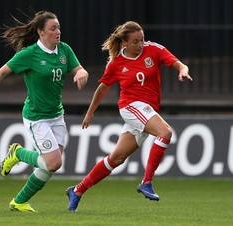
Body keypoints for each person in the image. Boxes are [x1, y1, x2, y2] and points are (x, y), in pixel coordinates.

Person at [66, 21, 192, 211]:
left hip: (147, 110)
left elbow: (178, 64)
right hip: (130, 107)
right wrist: (90, 112)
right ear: (124, 42)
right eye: (135, 41)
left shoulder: (153, 49)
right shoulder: (116, 63)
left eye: (141, 40)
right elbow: (102, 89)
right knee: (165, 133)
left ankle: (77, 190)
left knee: (116, 158)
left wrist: (182, 71)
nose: (141, 44)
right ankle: (146, 182)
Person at [0, 11, 89, 212]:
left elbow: (78, 69)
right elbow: (1, 72)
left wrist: (81, 74)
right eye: (53, 28)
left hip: (56, 115)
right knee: (52, 163)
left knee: (50, 166)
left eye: (58, 27)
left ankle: (19, 201)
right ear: (40, 32)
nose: (58, 31)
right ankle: (17, 152)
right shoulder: (30, 54)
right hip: (37, 117)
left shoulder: (64, 50)